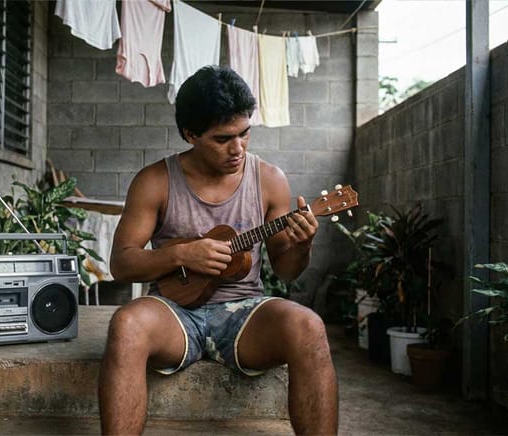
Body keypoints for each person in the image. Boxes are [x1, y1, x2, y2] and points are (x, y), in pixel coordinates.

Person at [98, 65, 338, 435]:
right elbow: (121, 263)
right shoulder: (155, 180)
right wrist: (181, 255)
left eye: (245, 134)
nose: (238, 148)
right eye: (223, 139)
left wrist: (302, 245)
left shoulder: (270, 180)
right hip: (173, 312)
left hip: (244, 313)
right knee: (127, 325)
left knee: (309, 326)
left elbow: (287, 270)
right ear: (189, 134)